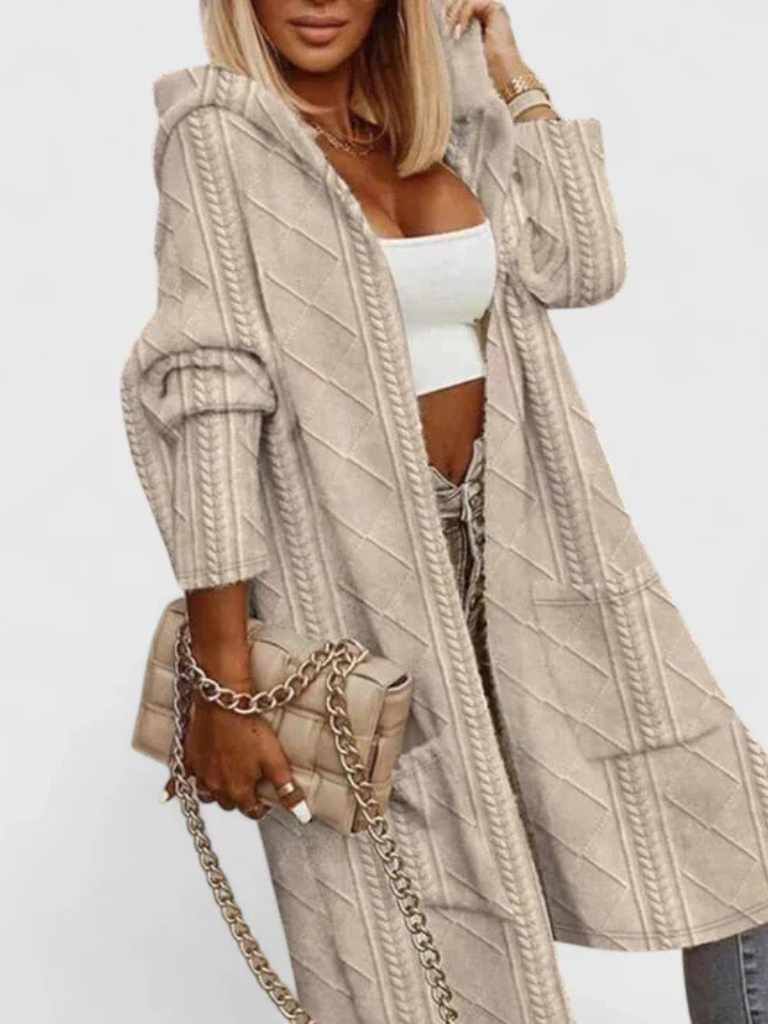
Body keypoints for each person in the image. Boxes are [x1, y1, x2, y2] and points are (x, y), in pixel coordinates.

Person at [121, 1, 768, 1020]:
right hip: (357, 582)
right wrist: (227, 682)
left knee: (727, 837)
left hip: (533, 549)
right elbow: (210, 392)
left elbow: (582, 263)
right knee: (426, 930)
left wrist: (509, 73)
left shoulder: (441, 123)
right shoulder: (217, 136)